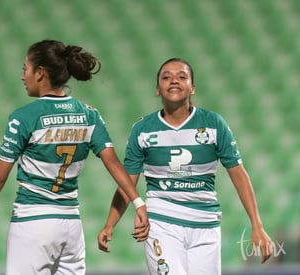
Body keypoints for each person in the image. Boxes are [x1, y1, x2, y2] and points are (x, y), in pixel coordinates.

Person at [0, 39, 149, 275]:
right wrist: (138, 203)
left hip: (33, 223)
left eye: (25, 69)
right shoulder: (89, 115)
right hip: (71, 227)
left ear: (40, 73)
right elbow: (113, 162)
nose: (22, 76)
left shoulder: (25, 117)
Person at [97, 57, 274, 275]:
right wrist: (110, 224)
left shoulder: (214, 124)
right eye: (166, 77)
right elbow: (127, 184)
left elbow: (239, 175)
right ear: (157, 89)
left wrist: (257, 225)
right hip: (162, 223)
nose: (174, 81)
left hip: (206, 226)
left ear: (192, 88)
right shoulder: (142, 129)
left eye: (182, 76)